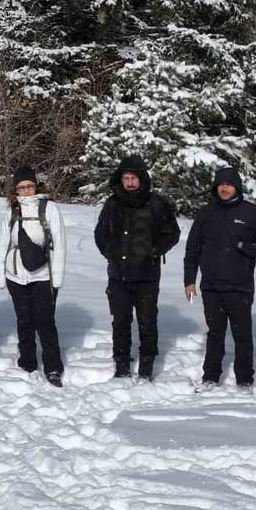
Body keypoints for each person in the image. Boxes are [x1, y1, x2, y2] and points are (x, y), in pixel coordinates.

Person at [183, 168, 256, 390]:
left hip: (240, 286)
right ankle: (210, 378)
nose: (224, 188)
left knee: (242, 335)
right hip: (211, 287)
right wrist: (189, 280)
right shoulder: (206, 213)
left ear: (237, 187)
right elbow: (192, 249)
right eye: (221, 184)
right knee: (214, 334)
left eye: (229, 184)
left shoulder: (252, 213)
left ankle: (244, 380)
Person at [93, 155, 180, 380]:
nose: (130, 183)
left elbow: (172, 233)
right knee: (120, 321)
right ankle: (121, 367)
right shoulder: (113, 204)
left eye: (133, 178)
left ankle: (146, 368)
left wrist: (155, 250)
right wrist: (110, 253)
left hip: (146, 275)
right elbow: (100, 233)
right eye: (126, 178)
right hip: (118, 275)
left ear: (141, 179)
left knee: (147, 322)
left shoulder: (156, 203)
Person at [0, 165, 67, 386]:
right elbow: (3, 244)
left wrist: (57, 279)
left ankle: (53, 366)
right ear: (16, 189)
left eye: (29, 186)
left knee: (45, 321)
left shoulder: (49, 209)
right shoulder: (11, 211)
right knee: (24, 320)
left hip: (42, 274)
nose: (26, 190)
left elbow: (60, 245)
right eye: (22, 187)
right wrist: (1, 275)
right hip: (15, 274)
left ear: (35, 186)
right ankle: (27, 361)